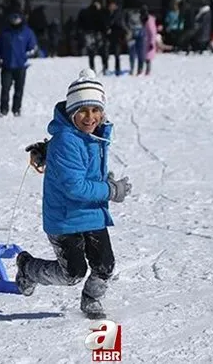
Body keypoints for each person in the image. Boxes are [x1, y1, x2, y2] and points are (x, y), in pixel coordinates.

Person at [16, 68, 133, 319]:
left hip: (90, 213)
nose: (89, 117)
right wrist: (111, 190)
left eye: (95, 110)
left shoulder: (96, 135)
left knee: (105, 265)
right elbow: (75, 187)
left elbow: (82, 165)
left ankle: (91, 298)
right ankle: (28, 268)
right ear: (71, 113)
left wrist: (103, 180)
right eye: (82, 110)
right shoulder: (67, 141)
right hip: (65, 218)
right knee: (72, 274)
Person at [0, 13, 37, 117]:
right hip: (6, 65)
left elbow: (33, 48)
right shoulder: (5, 32)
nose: (15, 21)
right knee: (5, 88)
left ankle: (16, 109)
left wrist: (25, 56)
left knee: (19, 90)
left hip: (21, 66)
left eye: (17, 19)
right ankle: (3, 110)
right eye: (13, 19)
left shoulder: (27, 32)